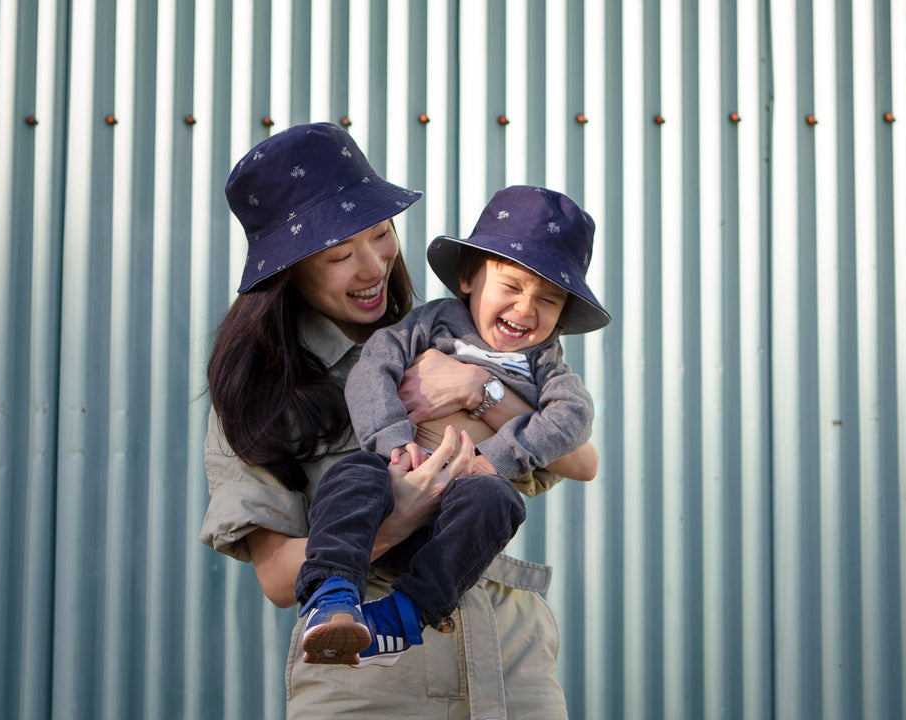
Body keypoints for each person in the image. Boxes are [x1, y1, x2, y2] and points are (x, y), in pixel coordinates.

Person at [198, 122, 586, 719]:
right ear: (289, 270)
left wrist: (478, 388)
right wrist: (401, 513)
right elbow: (277, 578)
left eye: (381, 234)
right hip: (373, 682)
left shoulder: (456, 335)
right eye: (338, 255)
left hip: (512, 663)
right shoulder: (259, 394)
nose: (372, 266)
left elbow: (577, 456)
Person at [297, 185, 611, 666]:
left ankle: (401, 617)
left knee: (499, 501)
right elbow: (374, 367)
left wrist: (494, 458)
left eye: (548, 301)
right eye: (511, 287)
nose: (526, 310)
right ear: (468, 277)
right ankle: (334, 596)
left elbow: (574, 421)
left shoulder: (545, 364)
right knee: (352, 476)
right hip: (396, 484)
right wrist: (393, 442)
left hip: (460, 520)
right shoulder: (433, 324)